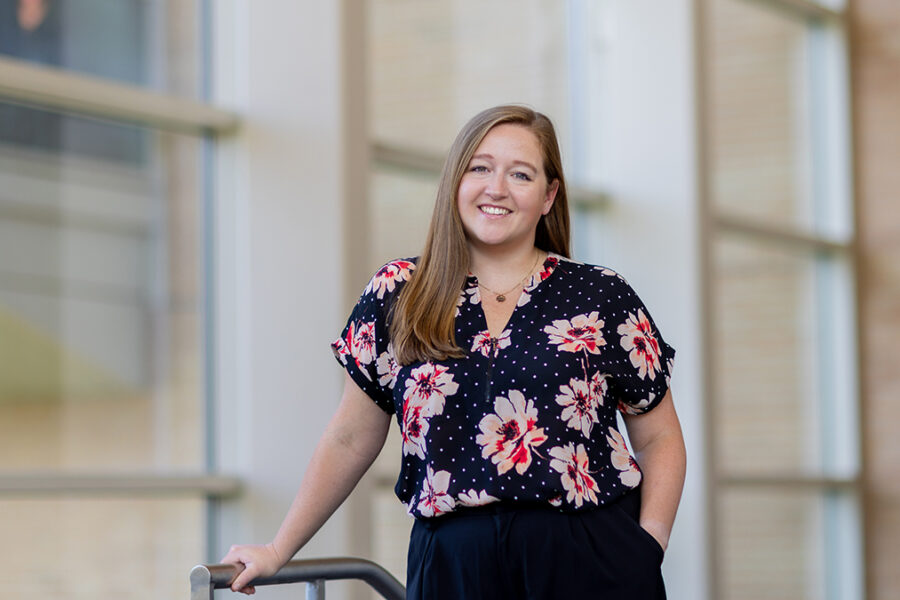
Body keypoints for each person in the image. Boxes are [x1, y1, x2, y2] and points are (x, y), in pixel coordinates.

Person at [222, 105, 686, 599]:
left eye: (521, 174)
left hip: (588, 558)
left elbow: (659, 439)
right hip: (453, 567)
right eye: (480, 167)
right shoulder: (398, 292)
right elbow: (349, 437)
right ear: (455, 181)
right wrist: (278, 549)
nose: (497, 188)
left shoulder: (600, 295)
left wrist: (645, 551)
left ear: (549, 195)